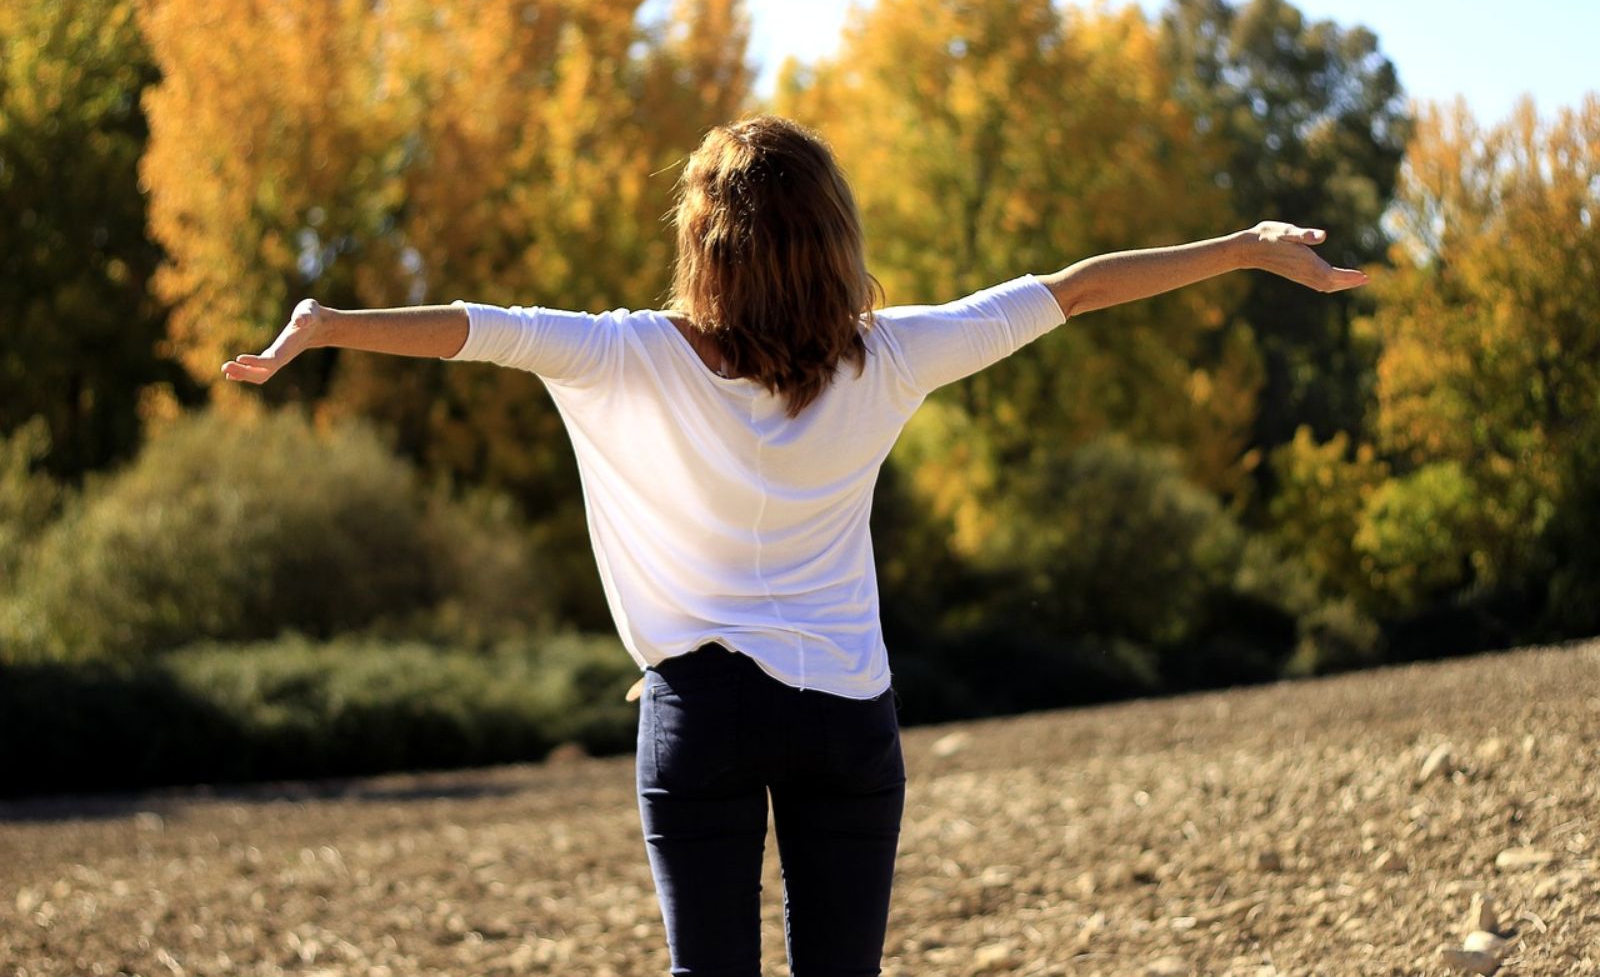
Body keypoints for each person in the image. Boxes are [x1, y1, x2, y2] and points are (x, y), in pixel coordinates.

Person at [224, 114, 1367, 976]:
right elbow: (1073, 292)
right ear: (833, 241)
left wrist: (327, 330)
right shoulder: (895, 355)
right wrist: (1241, 248)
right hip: (845, 716)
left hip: (700, 718)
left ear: (701, 244)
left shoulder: (625, 355)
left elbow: (472, 330)